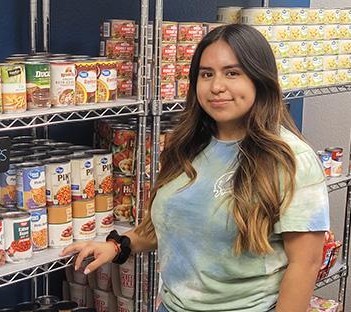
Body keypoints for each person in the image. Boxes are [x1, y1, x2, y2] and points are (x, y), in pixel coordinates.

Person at [61, 24, 330, 312]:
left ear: (259, 79)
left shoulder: (290, 158)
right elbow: (175, 223)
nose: (216, 86)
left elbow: (305, 264)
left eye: (232, 73)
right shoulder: (187, 145)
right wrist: (117, 246)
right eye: (206, 74)